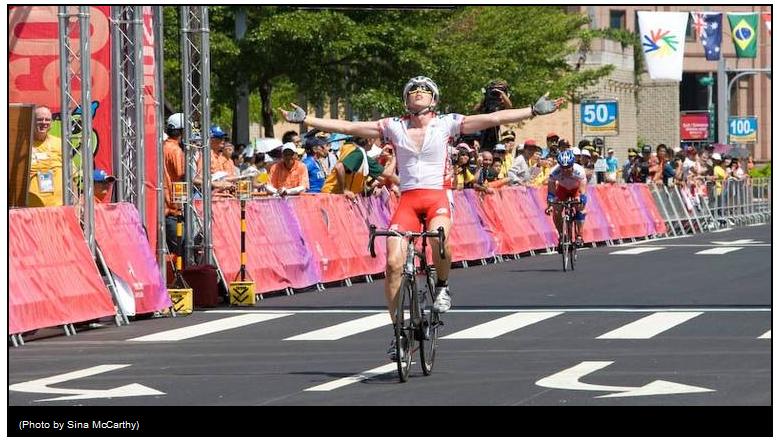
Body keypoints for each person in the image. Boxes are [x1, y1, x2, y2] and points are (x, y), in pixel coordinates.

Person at [279, 75, 563, 361]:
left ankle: (442, 286)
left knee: (440, 238)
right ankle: (398, 332)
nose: (418, 93)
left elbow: (492, 118)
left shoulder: (447, 122)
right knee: (392, 264)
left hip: (437, 196)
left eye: (424, 90)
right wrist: (307, 120)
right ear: (405, 99)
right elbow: (349, 126)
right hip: (408, 202)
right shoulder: (393, 126)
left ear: (434, 99)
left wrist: (533, 110)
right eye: (412, 90)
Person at [545, 149, 588, 249]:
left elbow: (582, 189)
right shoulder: (554, 171)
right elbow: (551, 190)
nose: (565, 170)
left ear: (572, 164)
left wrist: (582, 198)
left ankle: (579, 235)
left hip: (575, 189)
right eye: (563, 167)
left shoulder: (579, 171)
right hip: (562, 189)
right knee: (556, 210)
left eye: (568, 167)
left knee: (580, 206)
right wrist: (550, 203)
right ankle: (561, 235)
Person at [28, 106, 64, 207]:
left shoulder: (60, 143)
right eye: (39, 119)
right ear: (32, 121)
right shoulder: (23, 146)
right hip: (32, 209)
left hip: (58, 207)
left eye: (47, 119)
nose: (44, 122)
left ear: (51, 123)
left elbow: (72, 176)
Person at [162, 113, 187, 256]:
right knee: (182, 250)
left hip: (164, 207)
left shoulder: (163, 146)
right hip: (173, 208)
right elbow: (181, 174)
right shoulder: (176, 150)